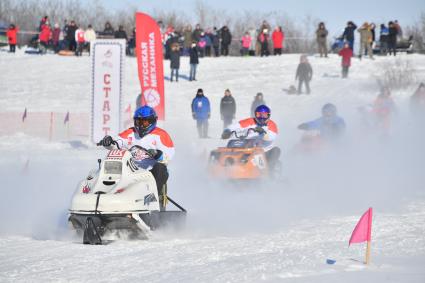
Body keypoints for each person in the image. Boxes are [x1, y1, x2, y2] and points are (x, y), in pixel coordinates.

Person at [98, 105, 174, 197]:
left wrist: (158, 154)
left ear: (151, 121)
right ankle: (102, 193)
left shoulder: (162, 135)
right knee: (109, 163)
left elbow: (168, 157)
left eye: (144, 122)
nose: (141, 125)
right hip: (130, 170)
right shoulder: (130, 133)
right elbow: (117, 142)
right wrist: (109, 142)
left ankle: (153, 198)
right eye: (138, 122)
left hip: (150, 173)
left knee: (160, 168)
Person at [221, 104, 280, 170]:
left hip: (265, 150)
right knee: (232, 150)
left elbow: (271, 137)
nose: (262, 118)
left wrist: (263, 133)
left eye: (264, 115)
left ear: (268, 116)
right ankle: (227, 167)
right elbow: (236, 126)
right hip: (247, 148)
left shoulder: (272, 125)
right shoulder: (250, 121)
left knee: (276, 150)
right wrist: (227, 131)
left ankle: (268, 173)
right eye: (259, 115)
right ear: (255, 114)